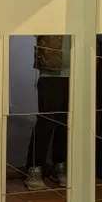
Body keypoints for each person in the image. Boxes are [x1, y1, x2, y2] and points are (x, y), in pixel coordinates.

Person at [25, 36, 70, 190]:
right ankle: (34, 169)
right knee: (46, 122)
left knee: (66, 122)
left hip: (79, 71)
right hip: (51, 73)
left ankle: (60, 166)